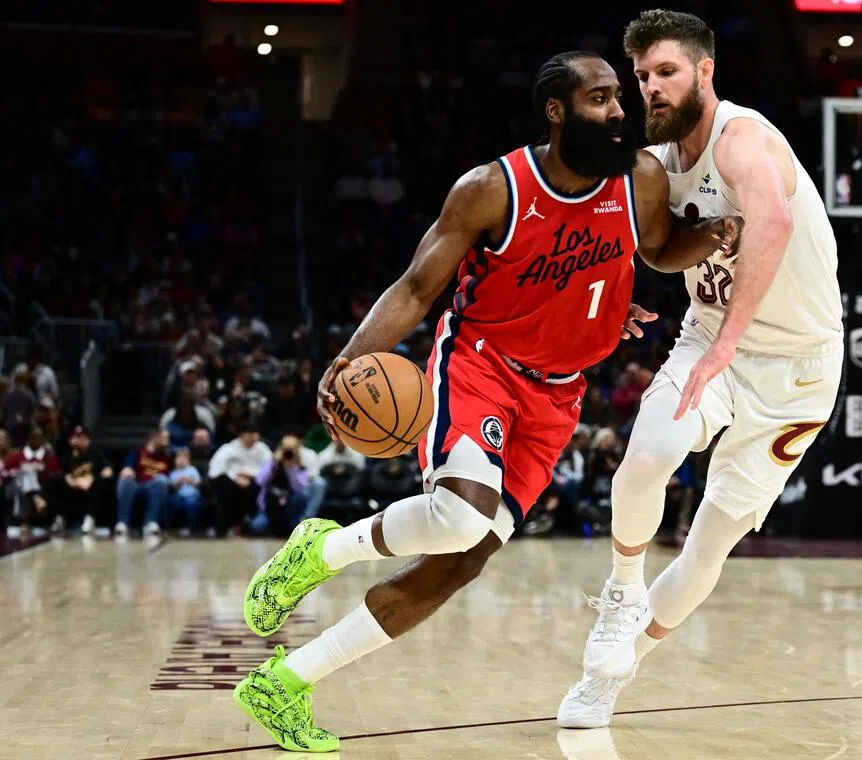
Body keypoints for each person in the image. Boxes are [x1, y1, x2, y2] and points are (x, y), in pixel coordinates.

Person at [232, 50, 738, 753]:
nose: (619, 110)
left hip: (560, 396)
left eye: (619, 97)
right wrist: (348, 359)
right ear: (556, 111)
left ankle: (284, 682)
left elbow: (655, 249)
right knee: (460, 515)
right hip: (482, 365)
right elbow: (415, 288)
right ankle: (327, 547)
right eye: (599, 99)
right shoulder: (492, 189)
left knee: (459, 561)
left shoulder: (642, 179)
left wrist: (708, 239)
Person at [558, 10, 844, 729]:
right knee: (647, 454)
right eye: (643, 75)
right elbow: (617, 228)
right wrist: (615, 291)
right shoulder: (649, 158)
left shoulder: (742, 137)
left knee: (711, 540)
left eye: (666, 72)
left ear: (705, 71)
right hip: (710, 336)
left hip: (799, 368)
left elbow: (771, 224)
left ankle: (614, 678)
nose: (650, 87)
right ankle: (621, 597)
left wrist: (729, 346)